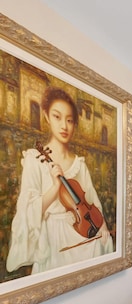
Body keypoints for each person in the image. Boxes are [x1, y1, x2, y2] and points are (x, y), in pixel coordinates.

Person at [6, 86, 113, 274]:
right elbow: (27, 210)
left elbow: (92, 203)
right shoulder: (34, 159)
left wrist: (102, 226)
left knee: (102, 247)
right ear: (46, 116)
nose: (64, 126)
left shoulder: (80, 163)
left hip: (81, 229)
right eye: (57, 117)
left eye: (70, 120)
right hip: (53, 237)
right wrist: (55, 186)